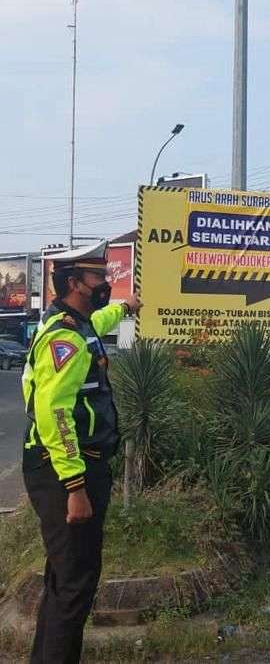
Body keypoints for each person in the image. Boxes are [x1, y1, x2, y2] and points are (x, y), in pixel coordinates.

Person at [21, 241, 141, 663]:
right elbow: (54, 413)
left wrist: (126, 308)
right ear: (75, 283)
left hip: (72, 466)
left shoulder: (78, 323)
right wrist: (74, 485)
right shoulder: (66, 340)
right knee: (75, 584)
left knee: (64, 578)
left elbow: (104, 316)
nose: (105, 285)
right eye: (98, 279)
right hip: (65, 470)